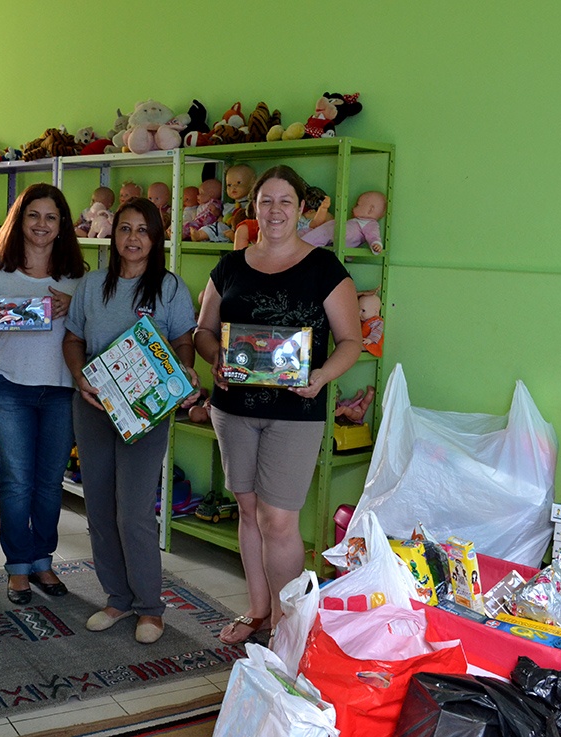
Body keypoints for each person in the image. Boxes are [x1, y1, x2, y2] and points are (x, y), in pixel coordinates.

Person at [195, 165, 361, 646]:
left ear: (302, 209)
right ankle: (258, 611)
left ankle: (288, 628)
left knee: (279, 520)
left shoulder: (326, 268)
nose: (275, 210)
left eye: (285, 201)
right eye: (266, 201)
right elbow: (205, 332)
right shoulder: (229, 267)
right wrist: (215, 360)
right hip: (233, 408)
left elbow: (351, 340)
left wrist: (321, 377)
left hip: (297, 411)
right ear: (254, 208)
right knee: (247, 511)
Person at [63, 198, 200, 645]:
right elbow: (73, 338)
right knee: (99, 506)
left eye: (143, 230)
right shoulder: (91, 285)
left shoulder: (170, 288)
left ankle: (149, 608)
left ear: (155, 237)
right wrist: (80, 375)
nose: (133, 238)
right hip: (94, 407)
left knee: (134, 511)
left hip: (145, 413)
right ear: (113, 233)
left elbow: (183, 341)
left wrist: (180, 374)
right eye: (124, 228)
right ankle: (117, 598)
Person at [0, 183, 87, 605]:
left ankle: (42, 559)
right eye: (33, 215)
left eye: (51, 217)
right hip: (8, 385)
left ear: (61, 225)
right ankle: (18, 566)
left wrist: (75, 307)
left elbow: (87, 332)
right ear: (20, 219)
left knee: (50, 483)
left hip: (59, 388)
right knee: (17, 482)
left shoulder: (76, 276)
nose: (41, 225)